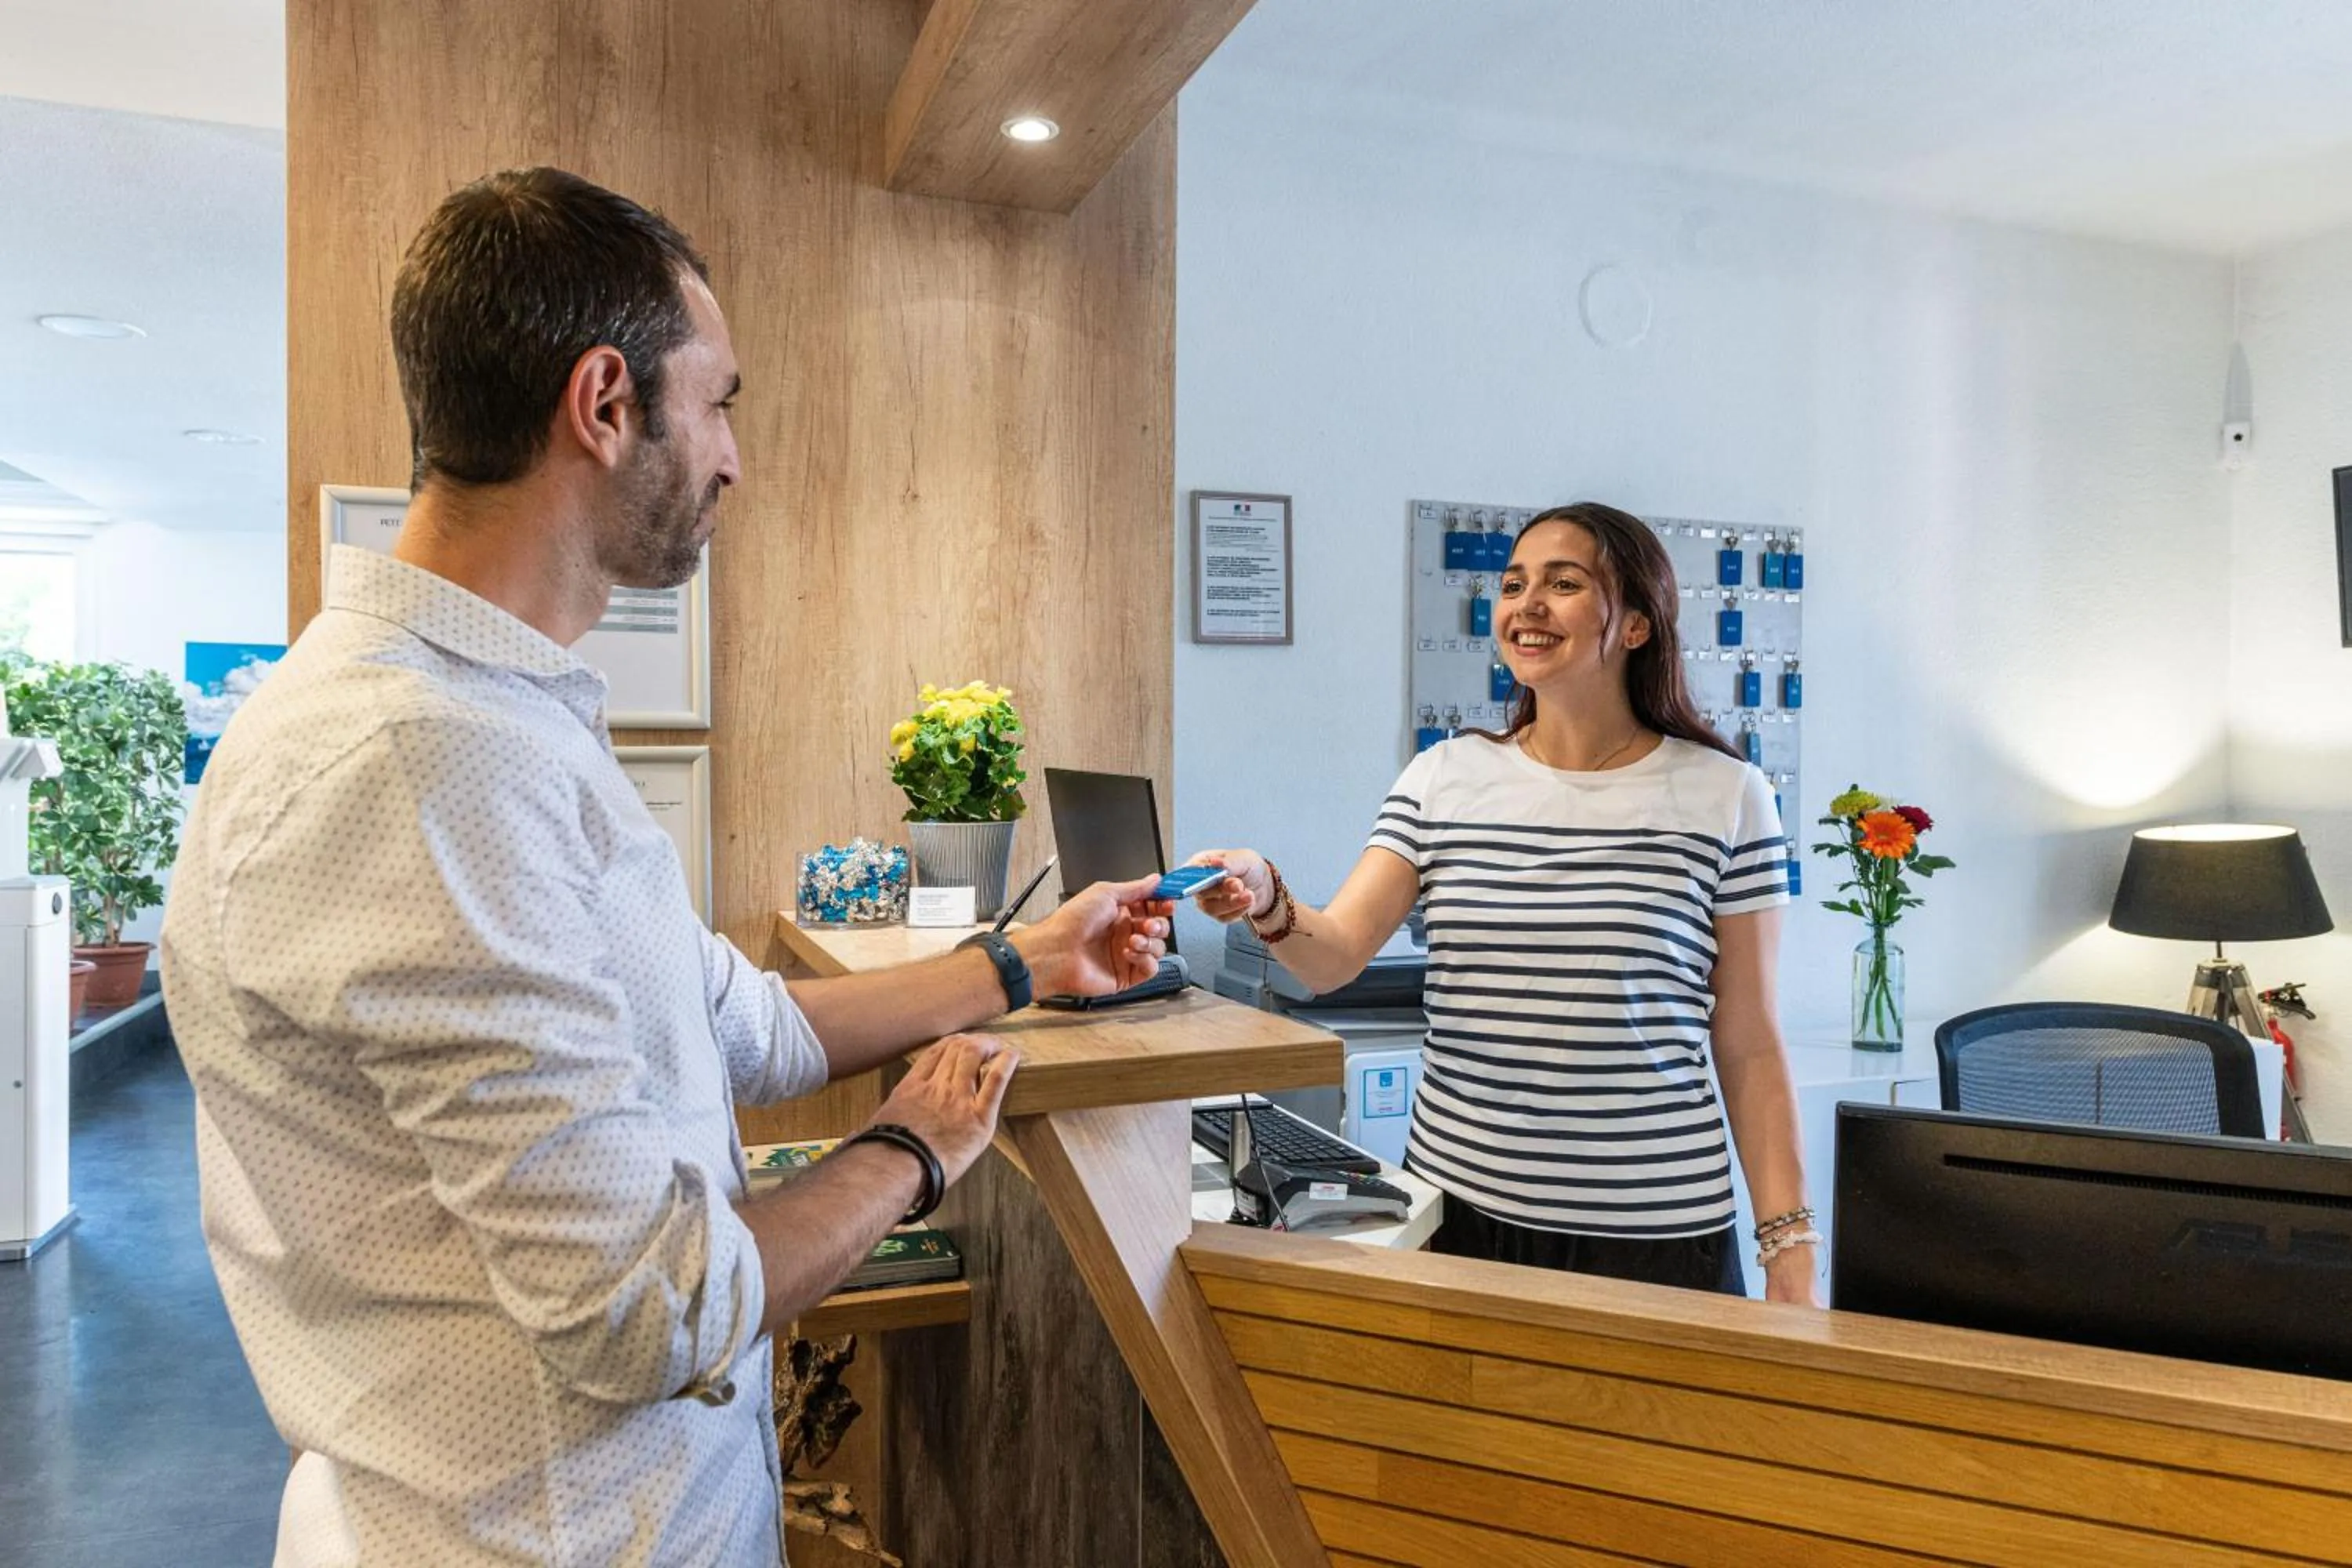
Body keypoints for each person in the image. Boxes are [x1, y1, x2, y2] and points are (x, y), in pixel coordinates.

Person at [161, 168, 1173, 1567]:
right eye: (721, 402)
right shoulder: (420, 767)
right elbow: (649, 1310)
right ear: (604, 403)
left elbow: (739, 1022)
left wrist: (1027, 959)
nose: (735, 457)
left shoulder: (496, 723)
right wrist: (914, 1152)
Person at [1191, 502, 1819, 1305]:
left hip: (1659, 1234)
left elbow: (1751, 1040)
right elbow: (1334, 952)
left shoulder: (1727, 794)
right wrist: (1266, 890)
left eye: (1563, 583)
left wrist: (1790, 1250)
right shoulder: (1443, 778)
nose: (1527, 603)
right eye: (1515, 582)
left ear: (1634, 625)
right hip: (1462, 1218)